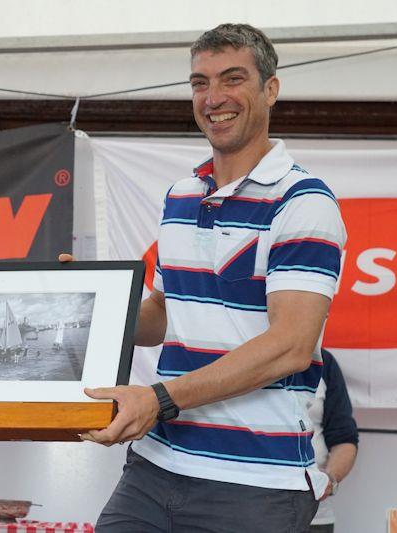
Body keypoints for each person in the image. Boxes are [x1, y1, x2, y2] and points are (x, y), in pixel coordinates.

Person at [76, 24, 348, 532]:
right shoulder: (181, 195)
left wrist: (159, 399)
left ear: (270, 89)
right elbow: (162, 315)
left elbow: (290, 346)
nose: (213, 97)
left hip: (256, 485)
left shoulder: (304, 202)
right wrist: (89, 303)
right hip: (155, 467)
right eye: (200, 83)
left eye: (232, 79)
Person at [308, 349, 359, 532]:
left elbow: (344, 439)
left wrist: (329, 480)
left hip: (315, 516)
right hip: (253, 511)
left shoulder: (324, 361)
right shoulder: (247, 354)